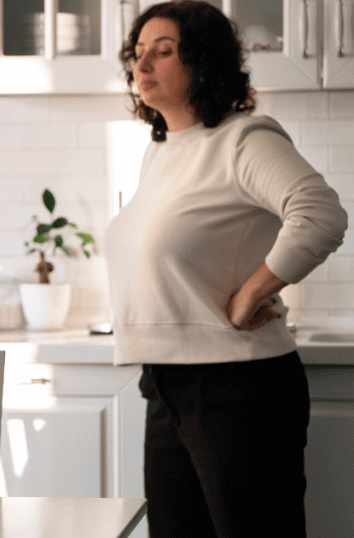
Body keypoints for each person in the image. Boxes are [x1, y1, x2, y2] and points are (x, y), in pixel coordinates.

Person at [107, 3, 347, 537]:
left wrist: (251, 293)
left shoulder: (244, 139)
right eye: (138, 53)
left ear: (204, 62)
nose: (142, 65)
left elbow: (320, 214)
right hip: (165, 383)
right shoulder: (160, 151)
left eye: (163, 52)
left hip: (237, 387)